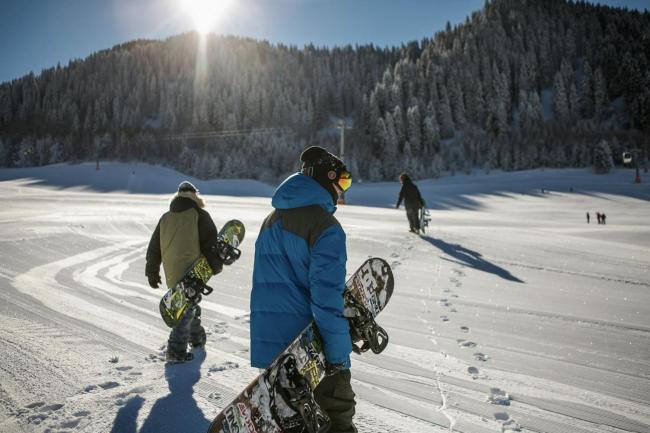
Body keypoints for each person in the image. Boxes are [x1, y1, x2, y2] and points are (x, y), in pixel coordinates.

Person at [251, 146, 356, 433]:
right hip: (311, 351)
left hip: (272, 351)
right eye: (342, 181)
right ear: (327, 178)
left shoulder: (270, 220)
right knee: (337, 419)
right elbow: (326, 298)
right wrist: (338, 356)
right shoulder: (326, 226)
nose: (342, 190)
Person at [145, 181, 224, 363]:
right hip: (193, 271)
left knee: (189, 305)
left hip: (172, 271)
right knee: (185, 310)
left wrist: (152, 272)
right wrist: (216, 265)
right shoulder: (199, 215)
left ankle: (197, 339)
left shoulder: (165, 217)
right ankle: (175, 351)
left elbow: (154, 248)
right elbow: (210, 244)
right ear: (195, 196)